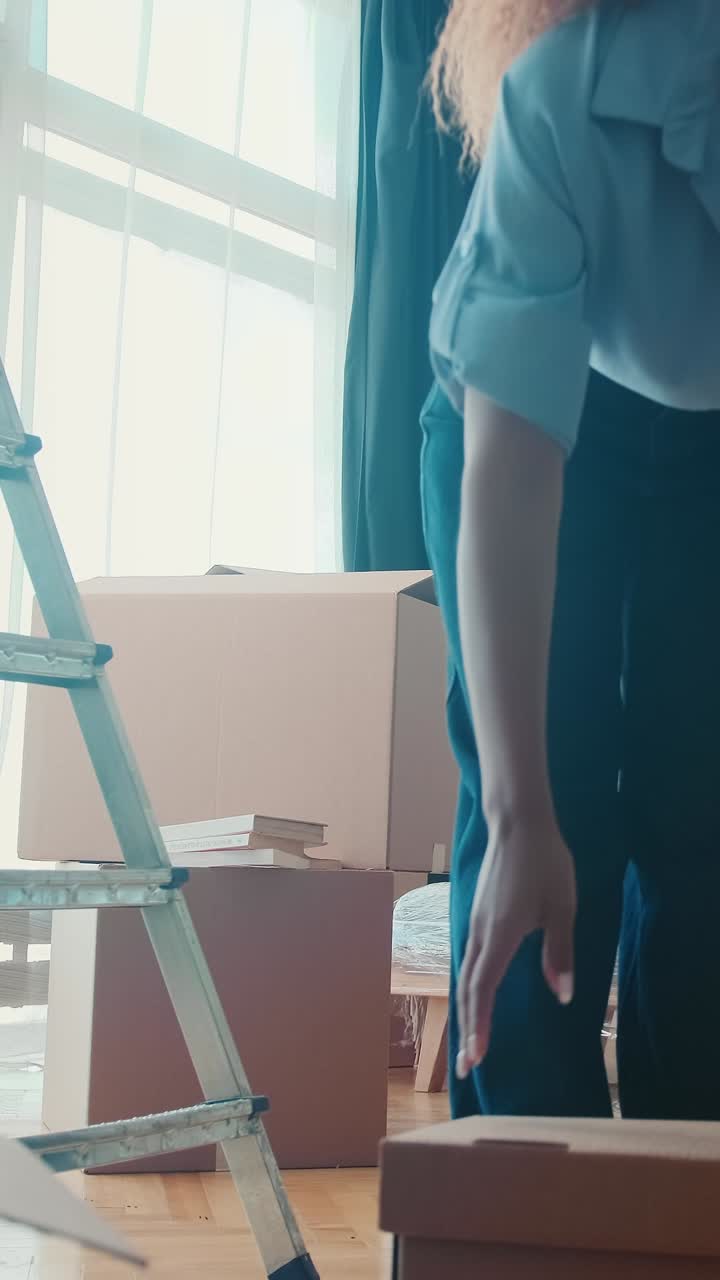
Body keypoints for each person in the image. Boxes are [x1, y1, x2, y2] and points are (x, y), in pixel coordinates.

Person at [422, 0, 720, 1122]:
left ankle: (681, 1207)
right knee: (552, 804)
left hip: (705, 445)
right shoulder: (563, 90)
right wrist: (517, 814)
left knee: (703, 817)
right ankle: (518, 1205)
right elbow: (511, 468)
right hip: (528, 429)